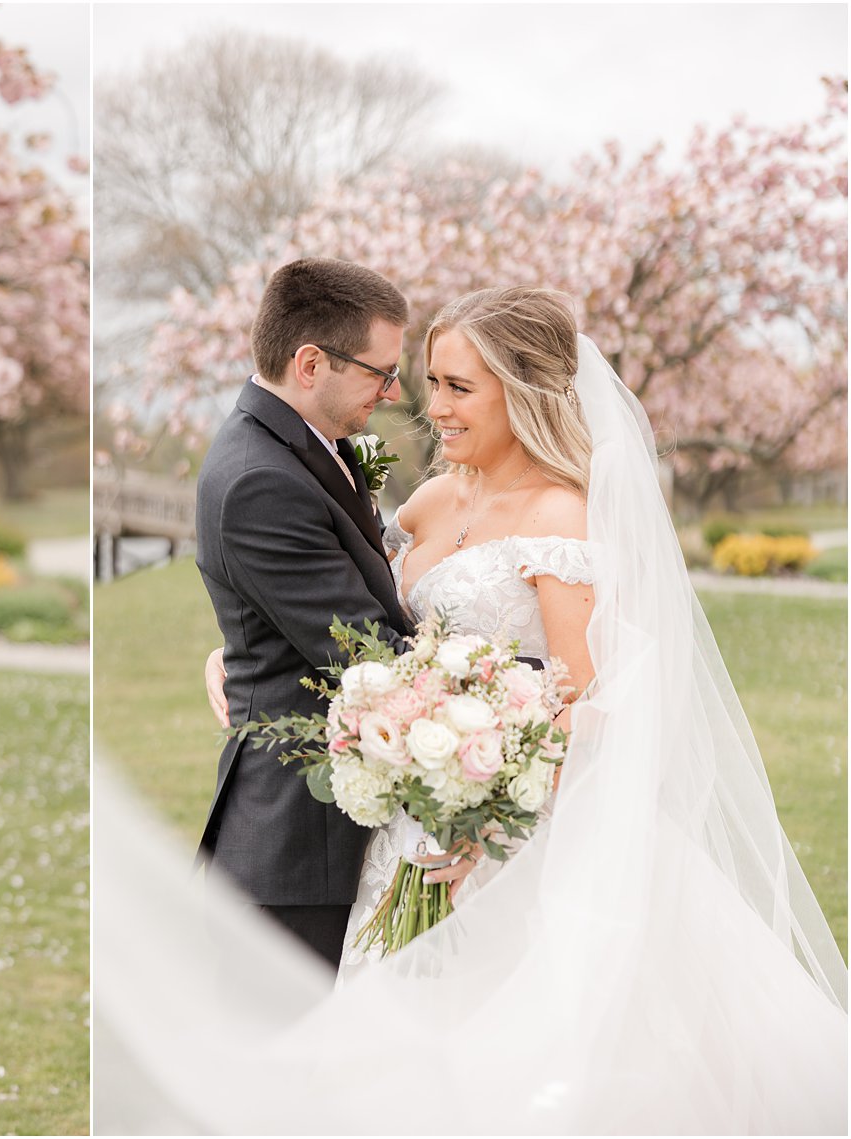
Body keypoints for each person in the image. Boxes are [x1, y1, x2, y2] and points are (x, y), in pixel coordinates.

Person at [95, 286, 847, 1132]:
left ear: (522, 392)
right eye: (428, 383)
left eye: (459, 388)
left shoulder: (561, 518)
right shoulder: (426, 504)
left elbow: (595, 696)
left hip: (508, 843)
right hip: (405, 829)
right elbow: (342, 625)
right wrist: (232, 653)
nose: (431, 409)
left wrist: (487, 804)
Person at [192, 257, 420, 968]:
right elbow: (373, 657)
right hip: (294, 850)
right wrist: (525, 680)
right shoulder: (261, 479)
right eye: (380, 372)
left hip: (331, 830)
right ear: (312, 362)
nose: (391, 392)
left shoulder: (305, 447)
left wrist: (240, 650)